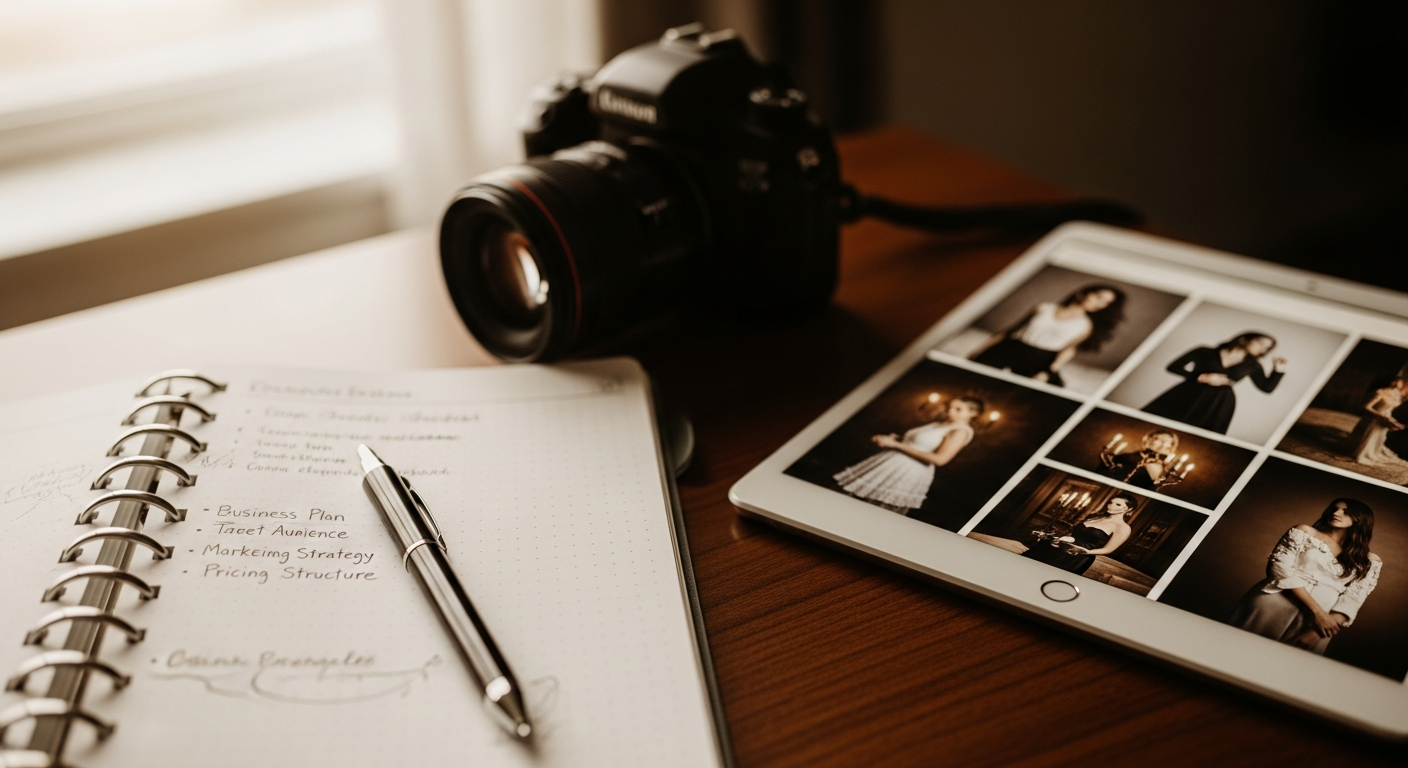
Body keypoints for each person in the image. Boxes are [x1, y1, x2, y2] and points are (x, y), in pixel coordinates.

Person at [1228, 499, 1382, 653]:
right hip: (1273, 605)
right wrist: (1318, 613)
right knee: (1239, 651)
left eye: (1346, 511)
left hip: (1319, 625)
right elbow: (1279, 568)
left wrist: (1318, 632)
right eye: (1334, 509)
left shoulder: (1369, 560)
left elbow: (1353, 600)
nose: (1336, 513)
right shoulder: (1305, 532)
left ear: (1360, 519)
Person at [832, 396, 983, 515]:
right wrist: (895, 439)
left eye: (958, 409)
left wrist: (897, 445)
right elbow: (918, 444)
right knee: (847, 501)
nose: (950, 411)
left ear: (973, 413)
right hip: (891, 463)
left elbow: (940, 459)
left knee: (869, 511)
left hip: (908, 472)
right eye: (950, 407)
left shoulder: (961, 430)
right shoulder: (941, 424)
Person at [970, 285, 1126, 387]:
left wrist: (1049, 371)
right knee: (976, 379)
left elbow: (1068, 350)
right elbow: (1008, 331)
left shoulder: (1085, 326)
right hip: (1010, 347)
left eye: (1105, 303)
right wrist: (981, 349)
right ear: (1082, 293)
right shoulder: (1043, 308)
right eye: (1098, 297)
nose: (1099, 303)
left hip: (1041, 358)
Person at [1142, 332, 1286, 434]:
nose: (1263, 348)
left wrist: (1277, 370)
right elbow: (1173, 367)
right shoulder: (1204, 351)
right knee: (1155, 425)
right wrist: (1201, 377)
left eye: (1267, 348)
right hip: (1188, 393)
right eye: (1261, 343)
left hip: (1218, 403)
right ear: (1244, 339)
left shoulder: (1253, 365)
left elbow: (1266, 388)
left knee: (1197, 436)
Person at [1021, 494, 1135, 575]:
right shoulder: (1095, 517)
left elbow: (1108, 549)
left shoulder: (1123, 527)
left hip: (1075, 557)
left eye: (1118, 505)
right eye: (1111, 502)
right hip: (1059, 549)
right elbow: (1074, 536)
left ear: (1128, 509)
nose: (1110, 506)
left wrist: (1084, 551)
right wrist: (1059, 540)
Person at [1344, 378, 1408, 469]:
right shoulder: (1380, 392)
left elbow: (1389, 409)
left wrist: (1392, 421)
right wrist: (1380, 416)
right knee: (1365, 447)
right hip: (1373, 419)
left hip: (1384, 421)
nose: (1400, 384)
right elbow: (1366, 407)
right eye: (1399, 382)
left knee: (1378, 441)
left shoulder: (1396, 396)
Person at [1098, 429, 1182, 491]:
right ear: (1149, 439)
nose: (1163, 444)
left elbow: (1159, 485)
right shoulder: (1127, 457)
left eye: (1167, 442)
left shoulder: (1168, 469)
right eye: (1158, 439)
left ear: (1171, 446)